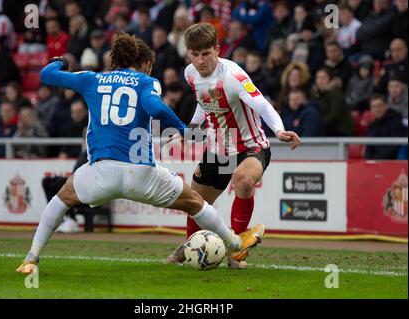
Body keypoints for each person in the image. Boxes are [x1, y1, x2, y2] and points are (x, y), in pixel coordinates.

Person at [16, 34, 264, 274]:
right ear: (146, 64)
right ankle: (234, 244)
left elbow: (47, 75)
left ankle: (31, 259)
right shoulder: (147, 82)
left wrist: (61, 61)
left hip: (100, 173)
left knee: (59, 201)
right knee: (196, 203)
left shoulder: (92, 79)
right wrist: (182, 129)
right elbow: (155, 107)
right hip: (142, 173)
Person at [165, 23, 300, 269]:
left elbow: (263, 106)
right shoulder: (189, 74)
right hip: (217, 150)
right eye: (195, 54)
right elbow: (202, 102)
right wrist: (189, 131)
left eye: (206, 53)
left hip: (251, 147)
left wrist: (278, 129)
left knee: (243, 179)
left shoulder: (234, 77)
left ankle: (236, 252)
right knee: (194, 202)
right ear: (188, 53)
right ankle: (190, 247)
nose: (201, 60)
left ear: (217, 50)